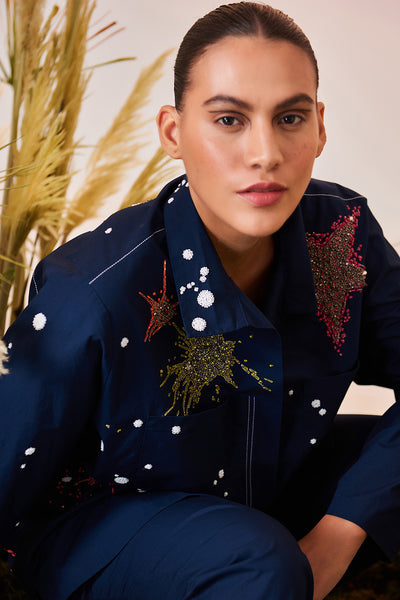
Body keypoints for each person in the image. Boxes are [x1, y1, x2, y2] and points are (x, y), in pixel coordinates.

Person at [0, 2, 399, 599]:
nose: (265, 153)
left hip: (263, 484)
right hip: (105, 529)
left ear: (319, 127)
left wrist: (337, 535)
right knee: (258, 562)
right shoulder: (90, 290)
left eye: (289, 118)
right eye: (229, 119)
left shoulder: (342, 233)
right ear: (173, 132)